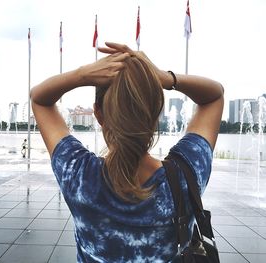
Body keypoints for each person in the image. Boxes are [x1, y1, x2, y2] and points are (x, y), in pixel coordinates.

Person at [31, 42, 224, 262]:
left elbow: (39, 99)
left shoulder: (78, 175)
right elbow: (214, 96)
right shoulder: (186, 174)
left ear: (98, 114)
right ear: (156, 112)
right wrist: (165, 78)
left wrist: (82, 75)